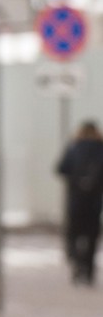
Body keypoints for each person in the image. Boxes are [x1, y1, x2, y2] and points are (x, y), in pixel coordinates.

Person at [56, 122, 103, 286]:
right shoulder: (101, 148)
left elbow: (60, 169)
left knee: (74, 234)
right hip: (95, 201)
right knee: (91, 236)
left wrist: (75, 179)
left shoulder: (74, 148)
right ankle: (88, 270)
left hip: (75, 199)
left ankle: (77, 263)